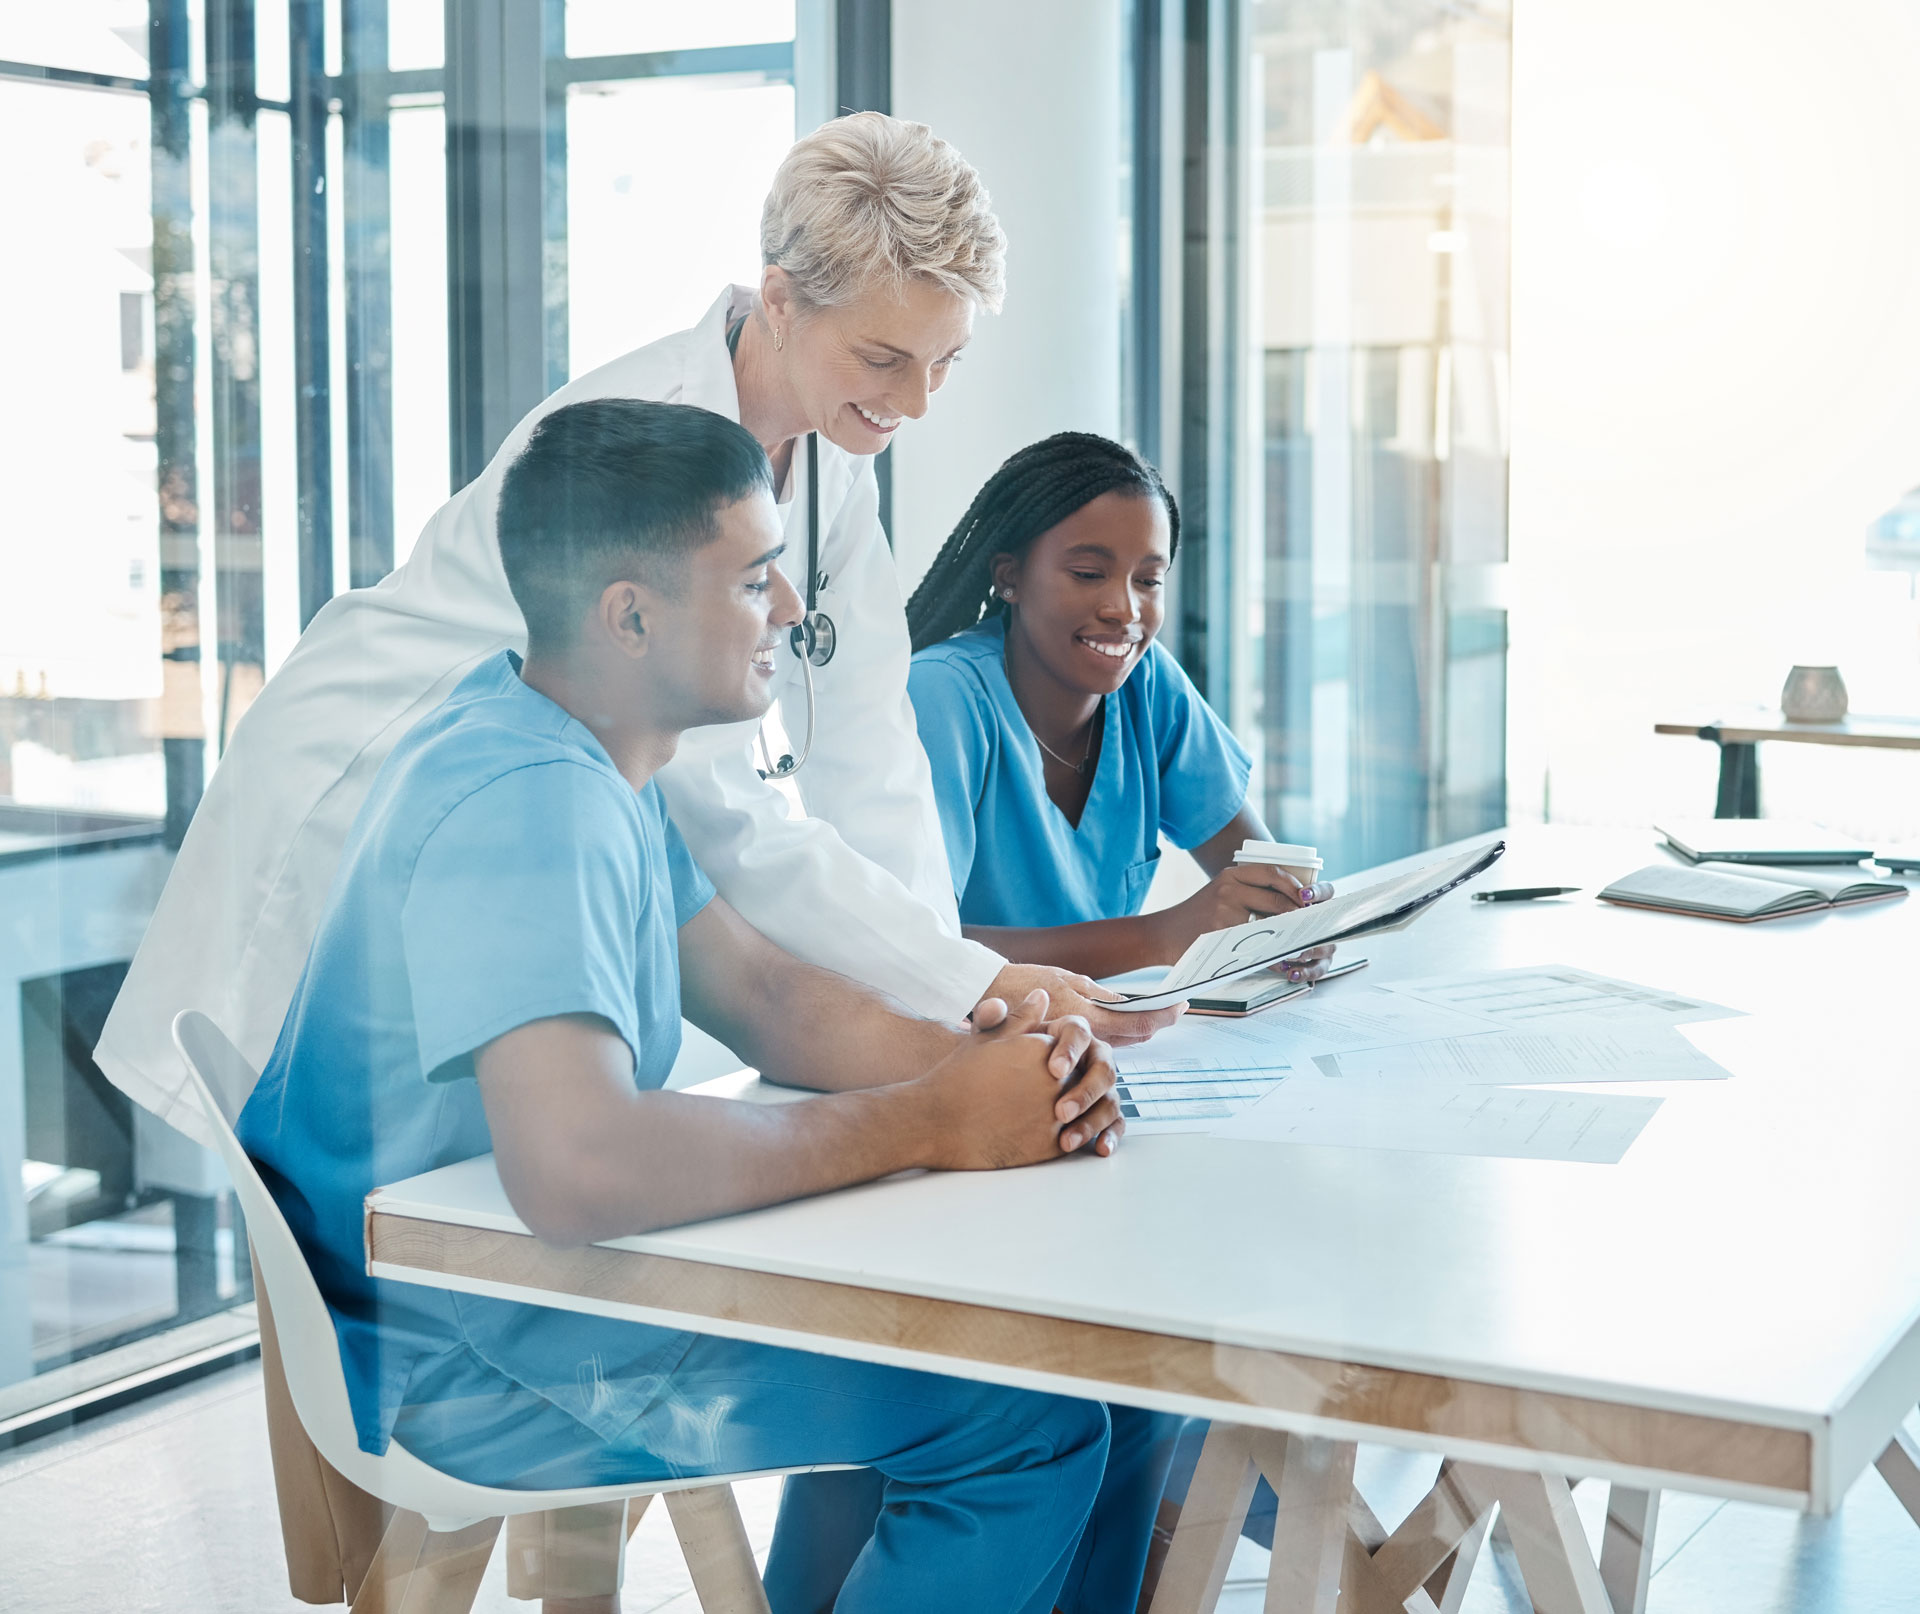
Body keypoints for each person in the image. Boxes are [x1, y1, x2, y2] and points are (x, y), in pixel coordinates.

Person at [97, 112, 1176, 1163]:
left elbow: (871, 754)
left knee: (461, 1188)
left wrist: (960, 992)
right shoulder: (650, 445)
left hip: (506, 828)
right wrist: (967, 991)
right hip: (360, 789)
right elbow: (731, 815)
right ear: (784, 300)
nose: (919, 403)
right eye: (887, 358)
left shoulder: (829, 458)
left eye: (945, 363)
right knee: (323, 1191)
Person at [236, 398, 1136, 1614]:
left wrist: (995, 1081)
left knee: (1079, 1382)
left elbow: (763, 994)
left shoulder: (577, 746)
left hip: (506, 1291)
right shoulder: (533, 802)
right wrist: (933, 1122)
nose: (792, 613)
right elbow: (583, 1169)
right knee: (1033, 1417)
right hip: (467, 1355)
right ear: (631, 613)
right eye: (757, 579)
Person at [898, 432, 1338, 1608]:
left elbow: (1248, 864)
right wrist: (1168, 932)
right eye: (1087, 570)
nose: (1124, 607)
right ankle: (1330, 1544)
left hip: (1101, 1078)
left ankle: (1312, 1537)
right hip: (970, 1095)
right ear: (1008, 572)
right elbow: (920, 952)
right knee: (1174, 1353)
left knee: (1262, 1272)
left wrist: (1290, 912)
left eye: (1148, 577)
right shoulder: (947, 694)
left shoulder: (1145, 686)